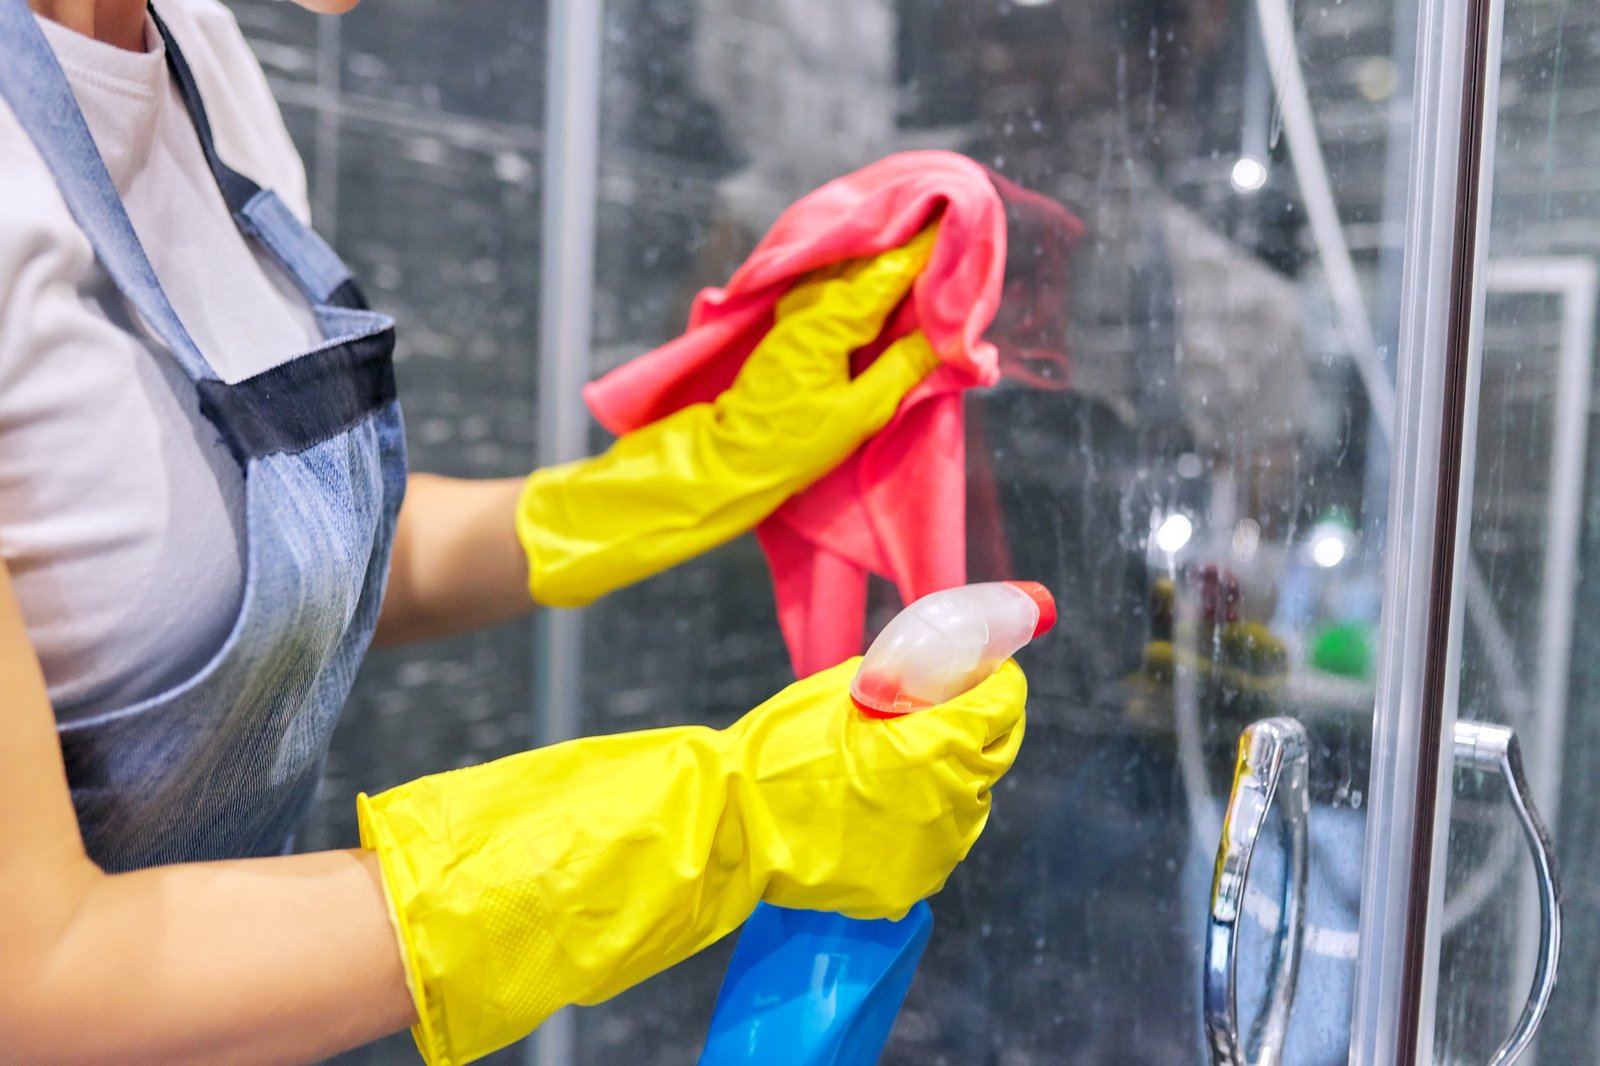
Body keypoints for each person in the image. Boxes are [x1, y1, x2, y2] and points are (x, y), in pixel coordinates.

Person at [0, 0, 1029, 1061]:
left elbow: (276, 573)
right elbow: (35, 987)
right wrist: (708, 826)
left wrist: (684, 477)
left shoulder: (199, 60)